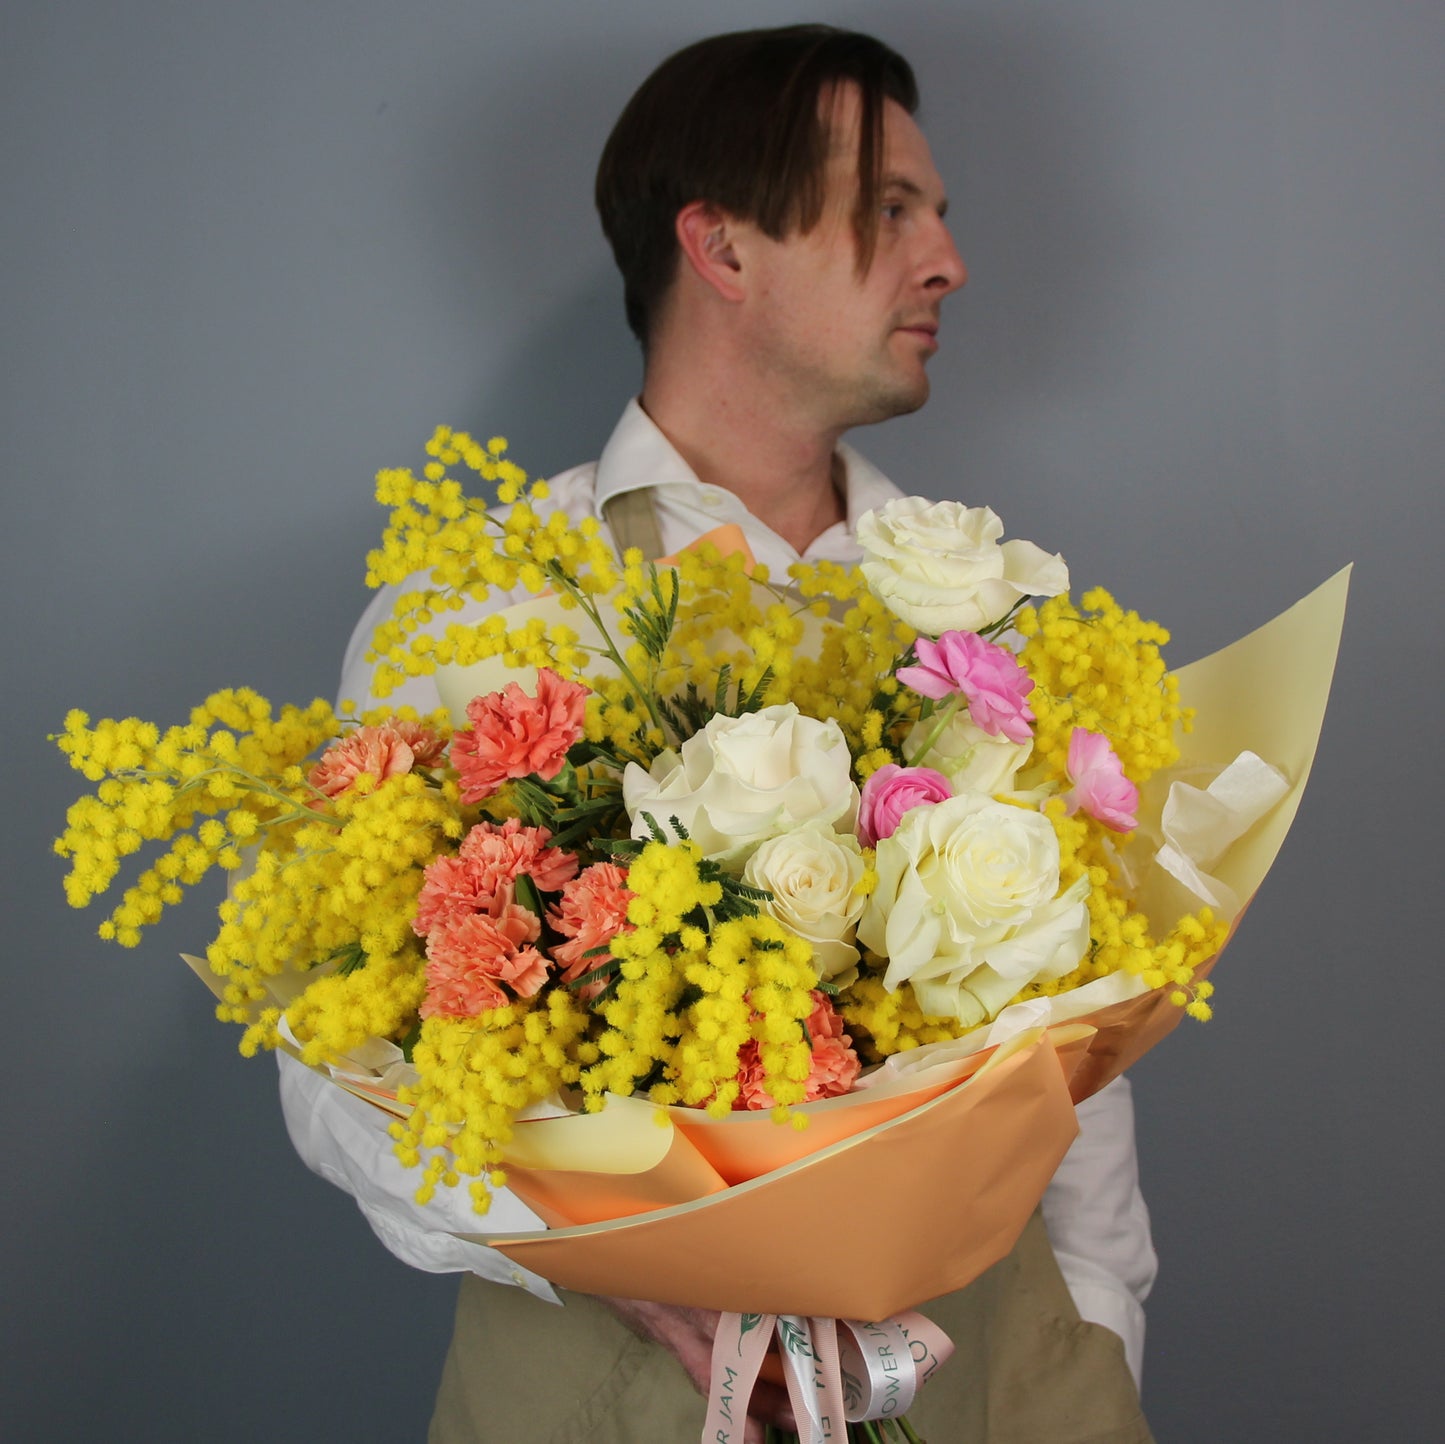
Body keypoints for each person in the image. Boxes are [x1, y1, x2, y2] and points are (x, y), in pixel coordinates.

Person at [280, 24, 1157, 1443]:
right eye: (887, 210)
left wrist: (1100, 1320)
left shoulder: (996, 614)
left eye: (935, 214)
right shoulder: (484, 604)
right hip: (605, 1398)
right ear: (723, 248)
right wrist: (624, 1264)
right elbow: (332, 1083)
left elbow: (1074, 1042)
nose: (947, 262)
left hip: (996, 1381)